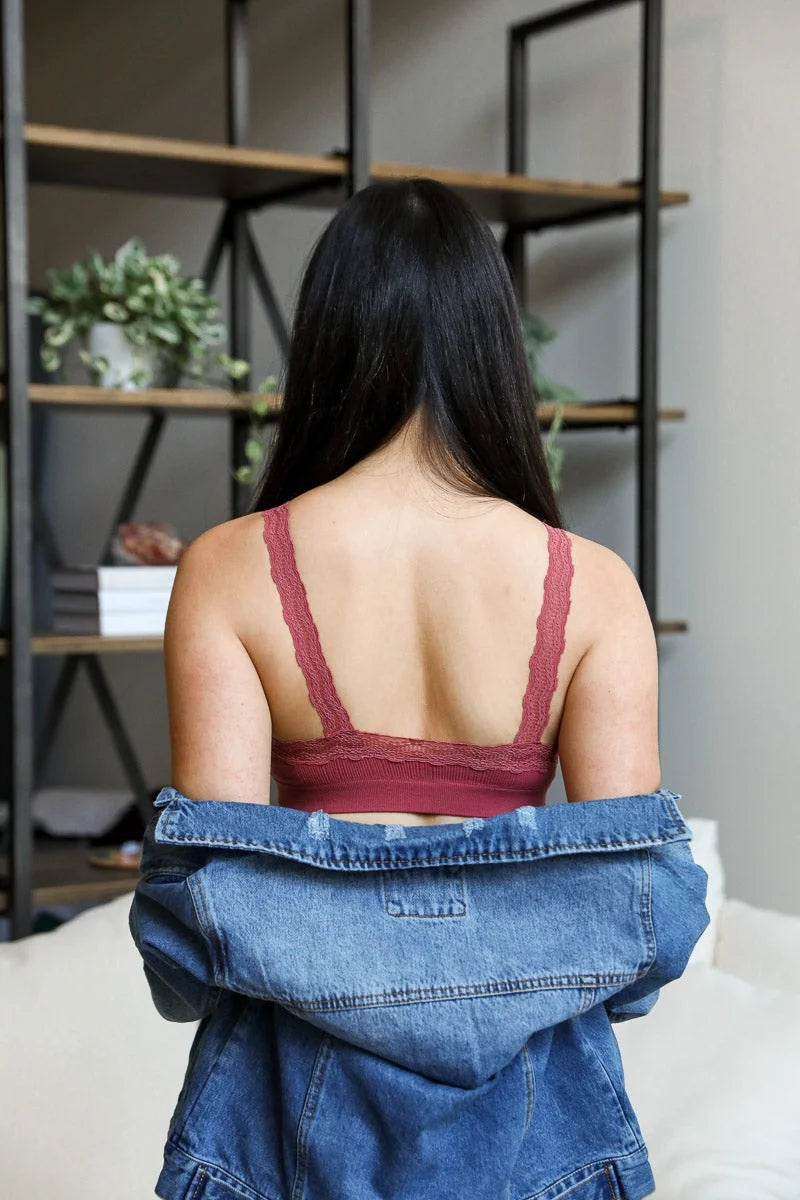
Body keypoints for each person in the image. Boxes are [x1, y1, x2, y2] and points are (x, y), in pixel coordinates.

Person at [129, 178, 709, 1200]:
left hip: (279, 1113)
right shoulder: (594, 587)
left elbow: (200, 921)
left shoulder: (226, 569)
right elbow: (637, 916)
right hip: (545, 1123)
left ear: (326, 342)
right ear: (491, 346)